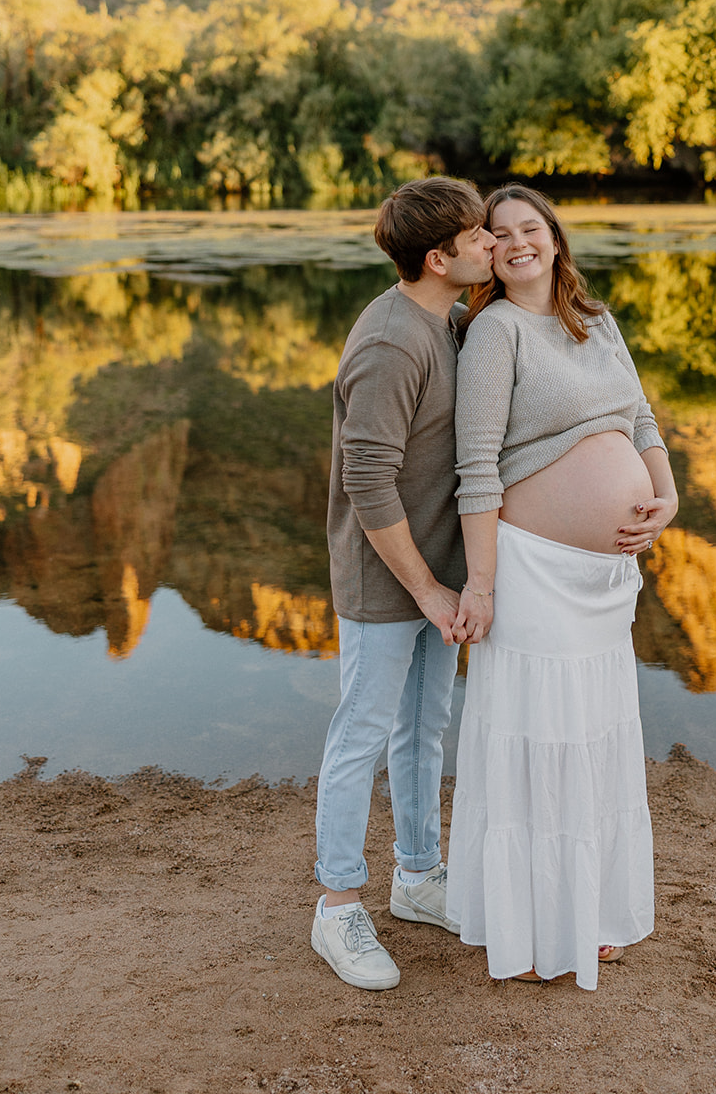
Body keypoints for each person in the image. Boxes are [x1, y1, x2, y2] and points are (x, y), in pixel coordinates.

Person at [446, 183, 678, 991]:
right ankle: (539, 924)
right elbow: (474, 469)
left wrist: (666, 495)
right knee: (541, 738)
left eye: (528, 228)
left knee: (590, 735)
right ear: (486, 251)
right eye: (498, 233)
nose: (516, 242)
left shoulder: (597, 321)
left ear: (553, 237)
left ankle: (595, 911)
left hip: (604, 578)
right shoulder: (493, 333)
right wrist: (481, 585)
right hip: (534, 573)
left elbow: (642, 421)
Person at [311, 177, 497, 991]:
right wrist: (424, 589)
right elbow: (368, 481)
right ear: (438, 256)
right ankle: (336, 908)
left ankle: (418, 878)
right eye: (479, 234)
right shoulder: (392, 343)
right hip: (390, 580)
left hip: (440, 575)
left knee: (423, 729)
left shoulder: (452, 322)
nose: (492, 242)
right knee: (362, 732)